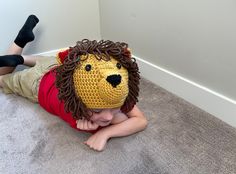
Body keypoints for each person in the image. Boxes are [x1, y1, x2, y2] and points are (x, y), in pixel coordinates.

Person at [0, 15, 147, 151]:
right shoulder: (76, 111)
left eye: (115, 108)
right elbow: (137, 121)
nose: (108, 117)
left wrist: (106, 132)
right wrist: (103, 131)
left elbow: (140, 121)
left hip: (59, 68)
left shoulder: (112, 89)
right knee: (2, 77)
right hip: (35, 84)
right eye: (97, 110)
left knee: (49, 61)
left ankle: (21, 58)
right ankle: (19, 46)